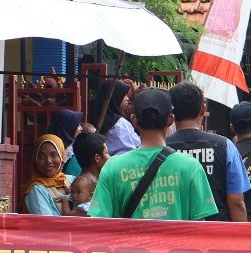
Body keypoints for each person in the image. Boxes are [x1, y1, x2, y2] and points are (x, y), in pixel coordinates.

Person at [90, 87, 218, 222]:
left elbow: (99, 224)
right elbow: (199, 227)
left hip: (128, 243)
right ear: (170, 120)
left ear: (134, 120)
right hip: (176, 244)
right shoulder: (191, 166)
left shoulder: (112, 168)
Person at [166, 81, 249, 221]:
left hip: (175, 234)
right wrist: (242, 240)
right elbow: (236, 202)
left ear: (171, 112)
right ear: (202, 110)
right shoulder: (225, 146)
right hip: (217, 235)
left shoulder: (162, 148)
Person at [22, 135, 70, 215]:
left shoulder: (70, 180)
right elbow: (47, 224)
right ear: (36, 160)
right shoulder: (36, 190)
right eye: (41, 156)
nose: (48, 161)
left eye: (53, 155)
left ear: (61, 156)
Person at [94, 79, 140, 156]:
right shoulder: (120, 124)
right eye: (124, 95)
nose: (127, 99)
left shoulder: (96, 118)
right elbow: (135, 145)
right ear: (116, 97)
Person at [47, 109, 86, 176]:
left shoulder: (74, 148)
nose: (81, 128)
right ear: (68, 126)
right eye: (77, 125)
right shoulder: (49, 148)